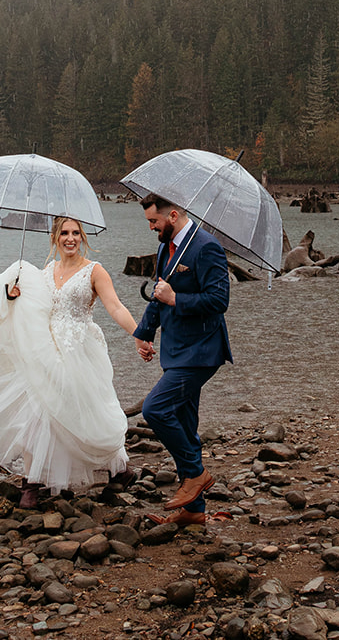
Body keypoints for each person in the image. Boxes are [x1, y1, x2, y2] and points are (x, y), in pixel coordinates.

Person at [0, 216, 138, 507]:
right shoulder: (44, 273)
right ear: (55, 238)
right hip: (44, 350)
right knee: (38, 410)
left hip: (80, 350)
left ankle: (119, 468)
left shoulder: (94, 271)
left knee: (87, 412)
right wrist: (12, 295)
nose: (70, 238)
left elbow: (115, 307)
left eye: (76, 233)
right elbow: (31, 309)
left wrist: (139, 334)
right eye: (64, 233)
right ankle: (32, 482)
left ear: (82, 237)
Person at [132, 193, 232, 525]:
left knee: (155, 409)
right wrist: (144, 332)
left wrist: (177, 298)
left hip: (202, 350)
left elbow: (219, 300)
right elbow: (160, 294)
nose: (150, 228)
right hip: (175, 349)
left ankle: (196, 474)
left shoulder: (207, 247)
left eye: (154, 222)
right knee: (186, 423)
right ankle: (194, 511)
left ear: (172, 216)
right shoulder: (165, 248)